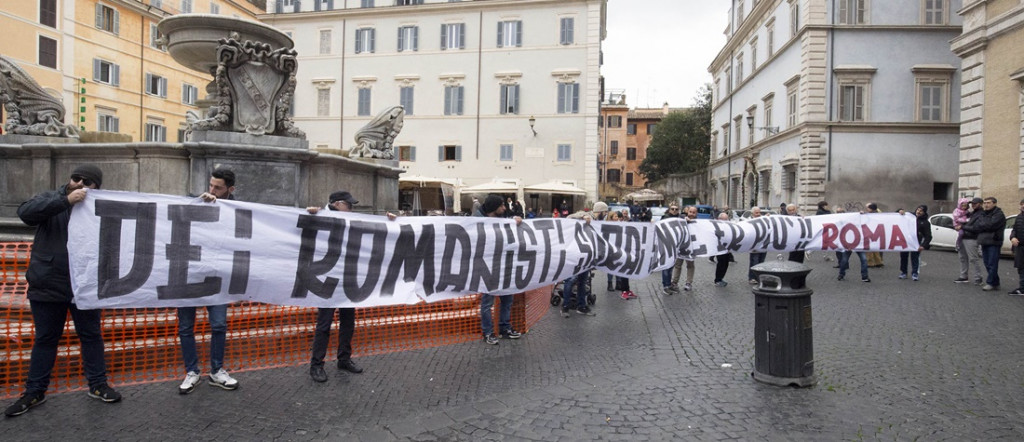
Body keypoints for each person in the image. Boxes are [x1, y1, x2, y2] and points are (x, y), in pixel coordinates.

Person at [5, 165, 122, 417]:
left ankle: (98, 385)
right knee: (46, 339)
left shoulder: (102, 206)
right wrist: (65, 201)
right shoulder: (51, 198)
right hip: (48, 283)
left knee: (91, 335)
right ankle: (34, 391)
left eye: (87, 182)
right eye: (76, 178)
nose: (79, 183)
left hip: (85, 285)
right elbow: (26, 213)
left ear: (97, 187)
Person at [304, 191, 397, 382]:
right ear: (337, 204)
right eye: (349, 205)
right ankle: (316, 364)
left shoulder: (347, 218)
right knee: (324, 324)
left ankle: (344, 358)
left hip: (347, 277)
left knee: (348, 322)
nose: (352, 208)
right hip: (327, 279)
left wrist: (389, 221)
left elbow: (373, 229)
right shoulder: (319, 215)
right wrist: (309, 212)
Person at [177, 168, 239, 394]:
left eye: (218, 187)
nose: (212, 190)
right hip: (188, 273)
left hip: (216, 276)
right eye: (211, 185)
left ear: (230, 190)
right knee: (185, 327)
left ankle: (216, 370)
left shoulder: (237, 209)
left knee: (219, 324)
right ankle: (192, 371)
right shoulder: (196, 201)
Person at [477, 194, 524, 344]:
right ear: (493, 208)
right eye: (501, 206)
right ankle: (488, 333)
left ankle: (504, 328)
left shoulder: (503, 220)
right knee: (487, 303)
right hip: (488, 268)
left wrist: (515, 221)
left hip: (504, 267)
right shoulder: (476, 221)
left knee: (507, 299)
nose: (504, 208)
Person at [963, 197, 1006, 291]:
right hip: (983, 241)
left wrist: (983, 225)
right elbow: (977, 226)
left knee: (992, 263)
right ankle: (995, 283)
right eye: (985, 203)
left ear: (994, 203)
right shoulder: (983, 213)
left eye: (989, 203)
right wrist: (983, 225)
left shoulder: (999, 214)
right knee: (987, 263)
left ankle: (990, 282)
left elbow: (990, 225)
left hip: (994, 241)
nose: (986, 205)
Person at [955, 197, 985, 284]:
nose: (973, 205)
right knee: (962, 258)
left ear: (980, 204)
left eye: (975, 203)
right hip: (964, 237)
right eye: (972, 203)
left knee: (973, 259)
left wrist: (962, 227)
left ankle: (978, 277)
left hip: (972, 238)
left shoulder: (981, 214)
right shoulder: (971, 213)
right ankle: (963, 276)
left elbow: (976, 228)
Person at [669, 206, 699, 292]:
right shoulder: (681, 219)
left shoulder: (698, 223)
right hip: (680, 247)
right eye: (690, 212)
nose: (692, 214)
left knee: (690, 265)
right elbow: (678, 218)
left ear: (696, 213)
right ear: (687, 212)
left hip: (691, 248)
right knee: (678, 265)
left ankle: (688, 282)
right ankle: (674, 282)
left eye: (694, 212)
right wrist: (684, 219)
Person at [899, 205, 932, 281]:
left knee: (915, 258)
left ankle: (915, 273)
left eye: (921, 211)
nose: (918, 212)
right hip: (906, 240)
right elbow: (897, 215)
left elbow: (928, 236)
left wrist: (923, 246)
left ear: (924, 213)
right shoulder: (909, 216)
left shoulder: (925, 222)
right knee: (903, 257)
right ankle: (903, 272)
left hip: (916, 242)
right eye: (918, 209)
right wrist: (900, 210)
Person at [661, 204, 682, 292]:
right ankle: (666, 285)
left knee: (671, 266)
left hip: (675, 246)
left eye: (676, 209)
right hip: (666, 245)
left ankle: (669, 284)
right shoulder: (665, 218)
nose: (674, 210)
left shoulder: (681, 219)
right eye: (672, 209)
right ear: (669, 210)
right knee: (666, 266)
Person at [747, 207, 767, 284]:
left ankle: (759, 277)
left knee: (761, 261)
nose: (758, 214)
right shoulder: (748, 221)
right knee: (754, 261)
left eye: (759, 212)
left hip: (764, 244)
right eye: (756, 213)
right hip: (754, 245)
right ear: (752, 214)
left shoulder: (763, 220)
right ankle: (752, 277)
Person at [1008, 199, 1024, 295]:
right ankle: (1022, 288)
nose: (1022, 206)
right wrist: (1013, 237)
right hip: (1020, 247)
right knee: (1021, 268)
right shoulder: (1019, 217)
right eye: (1021, 204)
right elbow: (1014, 229)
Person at [713, 212, 733, 287]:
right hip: (719, 249)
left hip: (727, 249)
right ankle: (717, 279)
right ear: (719, 219)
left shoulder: (728, 226)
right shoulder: (716, 226)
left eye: (726, 219)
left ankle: (721, 278)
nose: (725, 221)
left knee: (725, 264)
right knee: (721, 264)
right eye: (724, 219)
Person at [864, 203, 885, 268]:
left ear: (870, 208)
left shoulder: (870, 215)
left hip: (870, 232)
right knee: (876, 248)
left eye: (868, 208)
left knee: (869, 248)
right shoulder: (879, 214)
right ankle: (878, 262)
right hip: (877, 232)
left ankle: (870, 263)